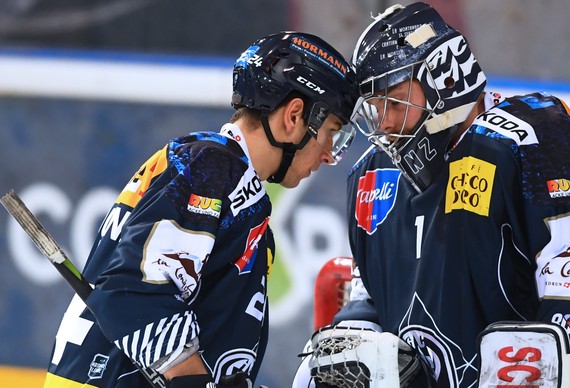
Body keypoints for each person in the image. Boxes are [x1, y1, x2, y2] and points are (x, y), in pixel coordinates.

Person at [43, 31, 359, 388]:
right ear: (295, 115)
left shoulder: (218, 174)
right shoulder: (212, 168)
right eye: (331, 131)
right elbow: (133, 293)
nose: (330, 152)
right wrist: (190, 378)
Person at [294, 2, 570, 387]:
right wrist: (356, 342)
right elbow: (370, 302)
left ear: (446, 79)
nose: (388, 124)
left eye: (395, 102)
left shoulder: (531, 135)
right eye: (376, 109)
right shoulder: (371, 174)